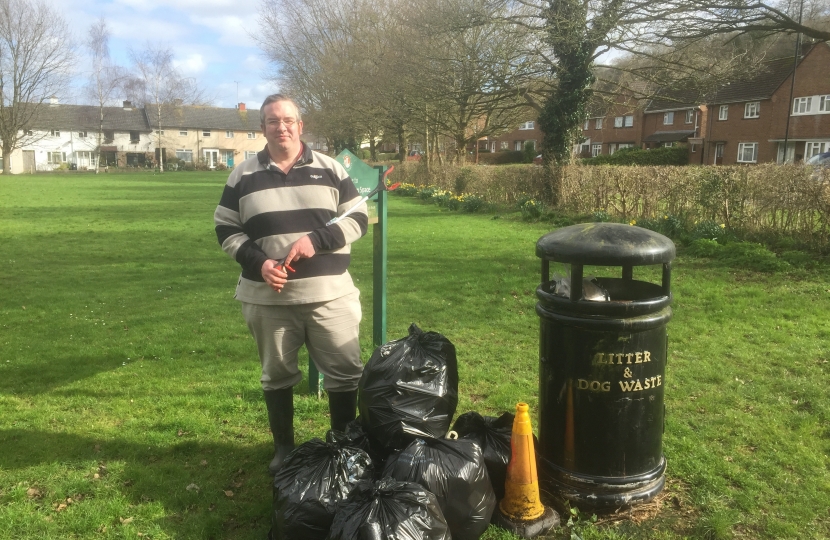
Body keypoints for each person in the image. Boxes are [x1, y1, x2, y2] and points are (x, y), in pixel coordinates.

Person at [214, 94, 368, 474]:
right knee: (277, 375)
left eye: (288, 120)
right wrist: (260, 262)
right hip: (267, 297)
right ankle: (284, 448)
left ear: (300, 125)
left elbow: (358, 218)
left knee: (345, 373)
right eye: (272, 121)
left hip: (330, 295)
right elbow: (225, 228)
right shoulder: (242, 175)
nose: (280, 127)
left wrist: (316, 240)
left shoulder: (331, 168)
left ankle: (343, 448)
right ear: (262, 127)